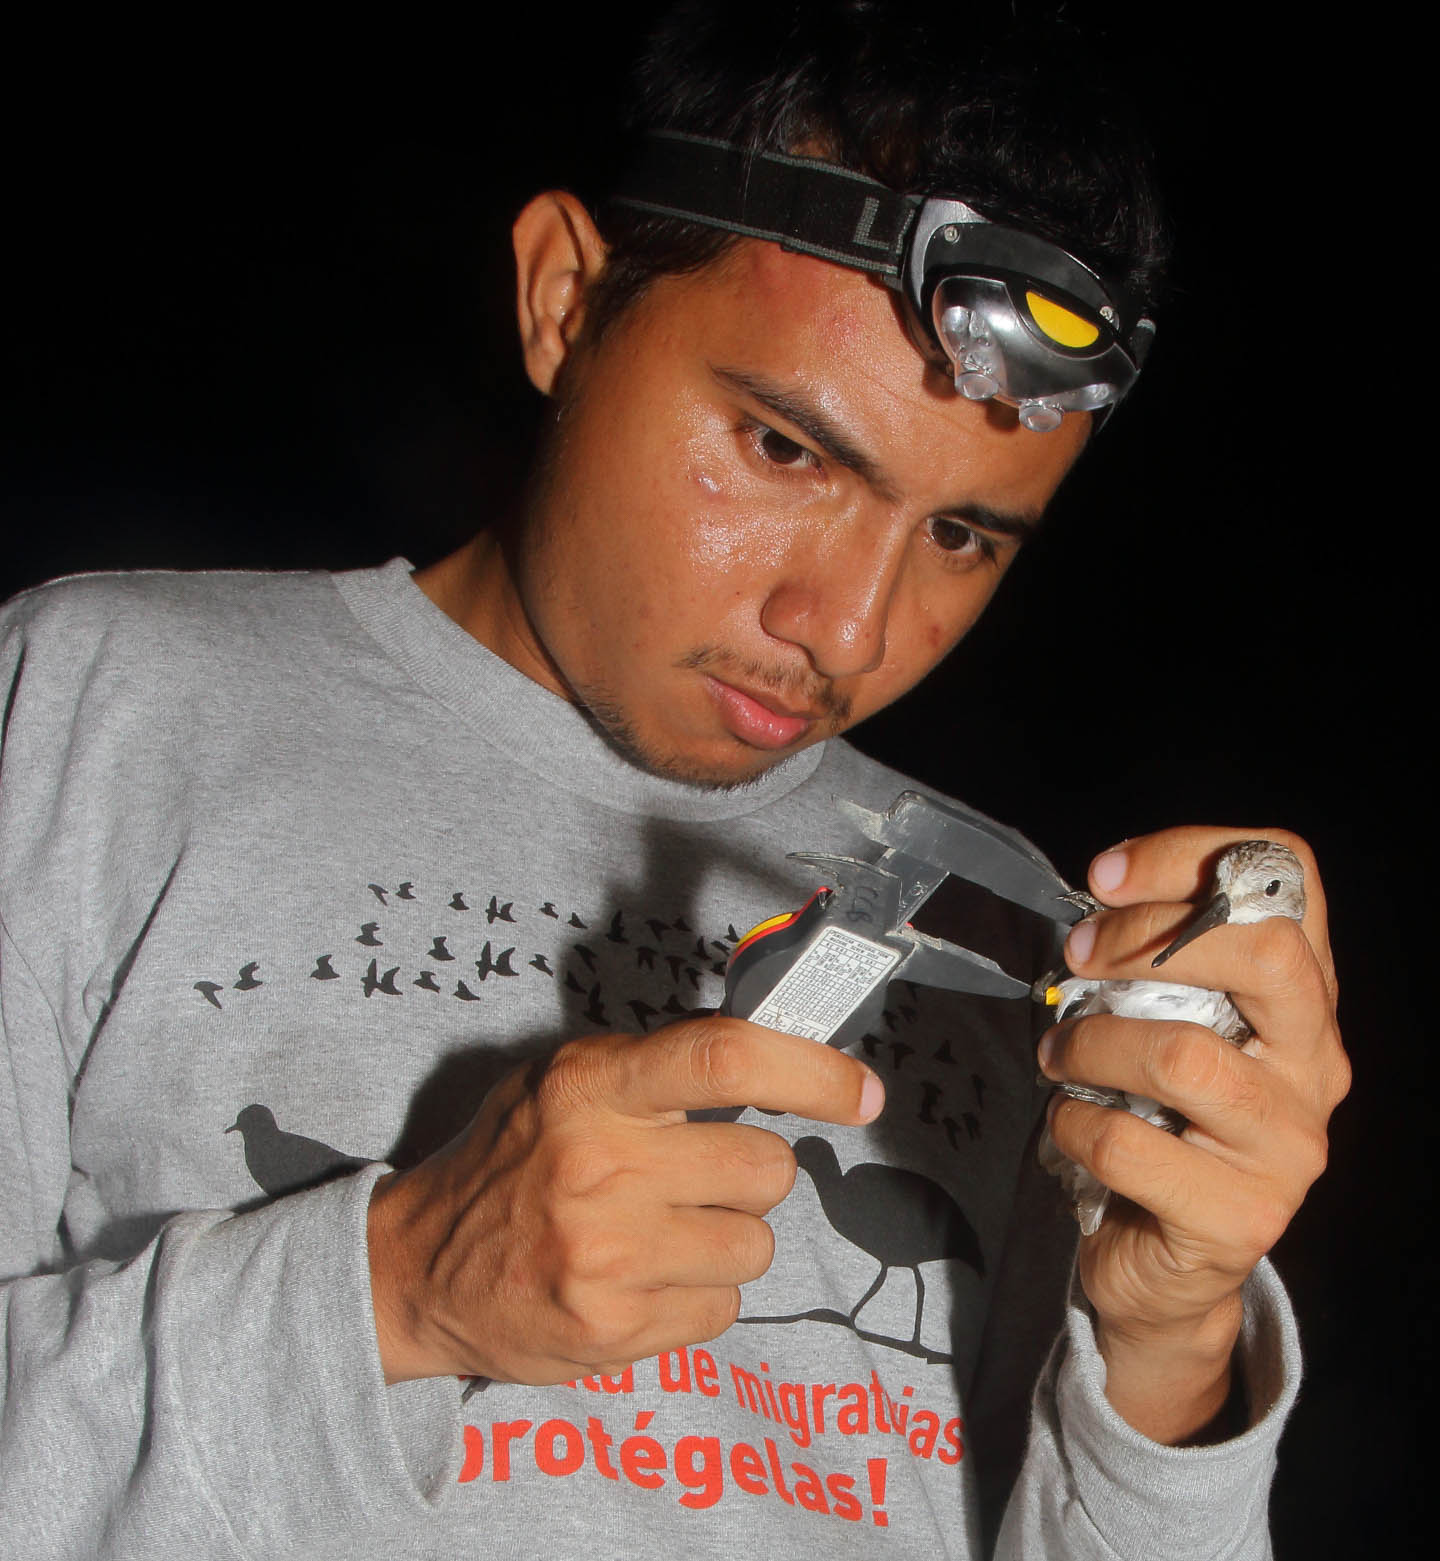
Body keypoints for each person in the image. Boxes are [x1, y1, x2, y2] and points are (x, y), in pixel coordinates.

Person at [0, 4, 1348, 1555]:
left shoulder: (1011, 937)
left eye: (964, 536)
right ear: (565, 299)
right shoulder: (96, 706)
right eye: (786, 450)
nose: (845, 630)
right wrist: (395, 1291)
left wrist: (1168, 1350)